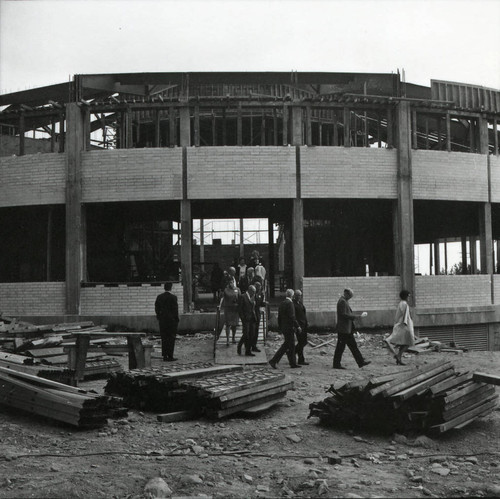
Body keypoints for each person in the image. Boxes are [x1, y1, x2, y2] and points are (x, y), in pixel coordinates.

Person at [333, 288, 371, 369]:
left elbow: (346, 314)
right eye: (350, 296)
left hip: (346, 328)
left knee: (349, 346)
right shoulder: (342, 301)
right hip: (344, 329)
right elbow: (344, 315)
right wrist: (358, 316)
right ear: (346, 294)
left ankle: (360, 362)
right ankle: (337, 364)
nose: (350, 298)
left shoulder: (344, 300)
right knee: (343, 347)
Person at [269, 289, 301, 369]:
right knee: (289, 346)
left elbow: (279, 317)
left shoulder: (282, 303)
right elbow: (292, 317)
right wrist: (297, 326)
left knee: (289, 345)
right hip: (289, 328)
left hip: (284, 327)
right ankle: (274, 360)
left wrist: (280, 327)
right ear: (292, 295)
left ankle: (292, 363)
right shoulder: (290, 304)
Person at [385, 290, 415, 365]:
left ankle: (399, 358)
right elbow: (405, 316)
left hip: (402, 324)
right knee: (408, 342)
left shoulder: (401, 303)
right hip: (405, 325)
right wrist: (405, 325)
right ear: (406, 296)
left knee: (403, 342)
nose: (409, 297)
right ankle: (398, 355)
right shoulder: (404, 304)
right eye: (408, 296)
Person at [155, 282, 180, 361]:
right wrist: (176, 319)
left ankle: (164, 355)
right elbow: (175, 310)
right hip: (171, 321)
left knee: (164, 338)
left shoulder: (159, 297)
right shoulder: (173, 297)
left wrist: (159, 317)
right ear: (171, 288)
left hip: (162, 320)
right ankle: (170, 355)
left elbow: (156, 308)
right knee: (171, 338)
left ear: (164, 288)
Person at [220, 279, 241, 345]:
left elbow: (240, 298)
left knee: (234, 325)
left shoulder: (237, 289)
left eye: (232, 282)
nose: (231, 283)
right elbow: (223, 298)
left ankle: (233, 338)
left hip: (235, 309)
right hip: (228, 309)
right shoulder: (226, 290)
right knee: (228, 324)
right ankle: (228, 340)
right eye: (230, 282)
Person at [238, 284, 257, 356]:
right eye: (253, 291)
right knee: (246, 334)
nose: (254, 293)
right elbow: (240, 309)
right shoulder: (243, 297)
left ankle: (248, 350)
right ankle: (239, 345)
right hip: (246, 318)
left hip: (252, 317)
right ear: (249, 290)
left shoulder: (253, 297)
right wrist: (243, 318)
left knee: (252, 334)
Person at [293, 289, 309, 365]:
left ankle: (293, 352)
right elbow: (294, 317)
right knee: (301, 342)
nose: (299, 297)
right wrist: (297, 326)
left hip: (303, 325)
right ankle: (300, 359)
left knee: (303, 342)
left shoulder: (300, 303)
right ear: (294, 296)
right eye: (298, 295)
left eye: (300, 295)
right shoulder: (293, 304)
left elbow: (303, 314)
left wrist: (306, 322)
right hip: (299, 326)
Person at [251, 281, 266, 353]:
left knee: (256, 330)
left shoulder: (261, 294)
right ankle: (248, 344)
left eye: (260, 287)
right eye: (258, 287)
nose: (259, 288)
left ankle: (254, 345)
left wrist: (265, 303)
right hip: (251, 313)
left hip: (257, 313)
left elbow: (261, 303)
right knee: (251, 330)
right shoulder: (251, 294)